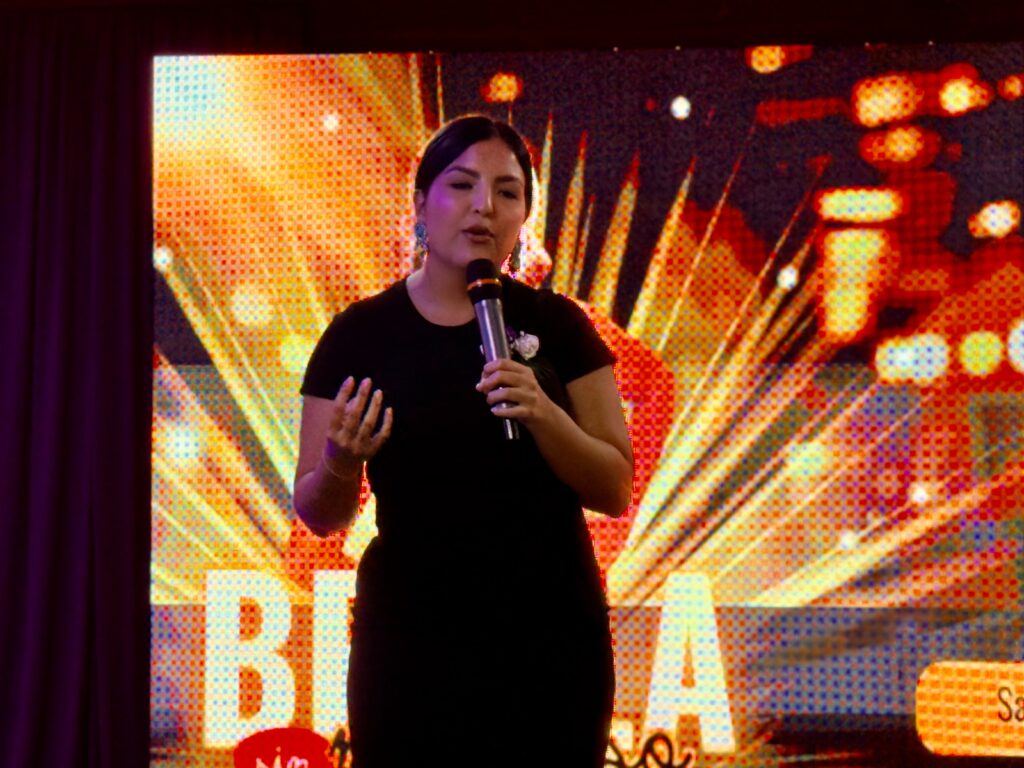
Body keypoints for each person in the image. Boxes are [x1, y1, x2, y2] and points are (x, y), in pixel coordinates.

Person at [293, 114, 633, 767]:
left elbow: (614, 488)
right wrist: (340, 461)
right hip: (410, 646)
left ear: (524, 215)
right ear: (422, 203)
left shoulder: (559, 326)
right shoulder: (359, 335)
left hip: (550, 642)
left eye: (508, 192)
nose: (485, 207)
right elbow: (318, 513)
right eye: (462, 185)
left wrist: (544, 413)